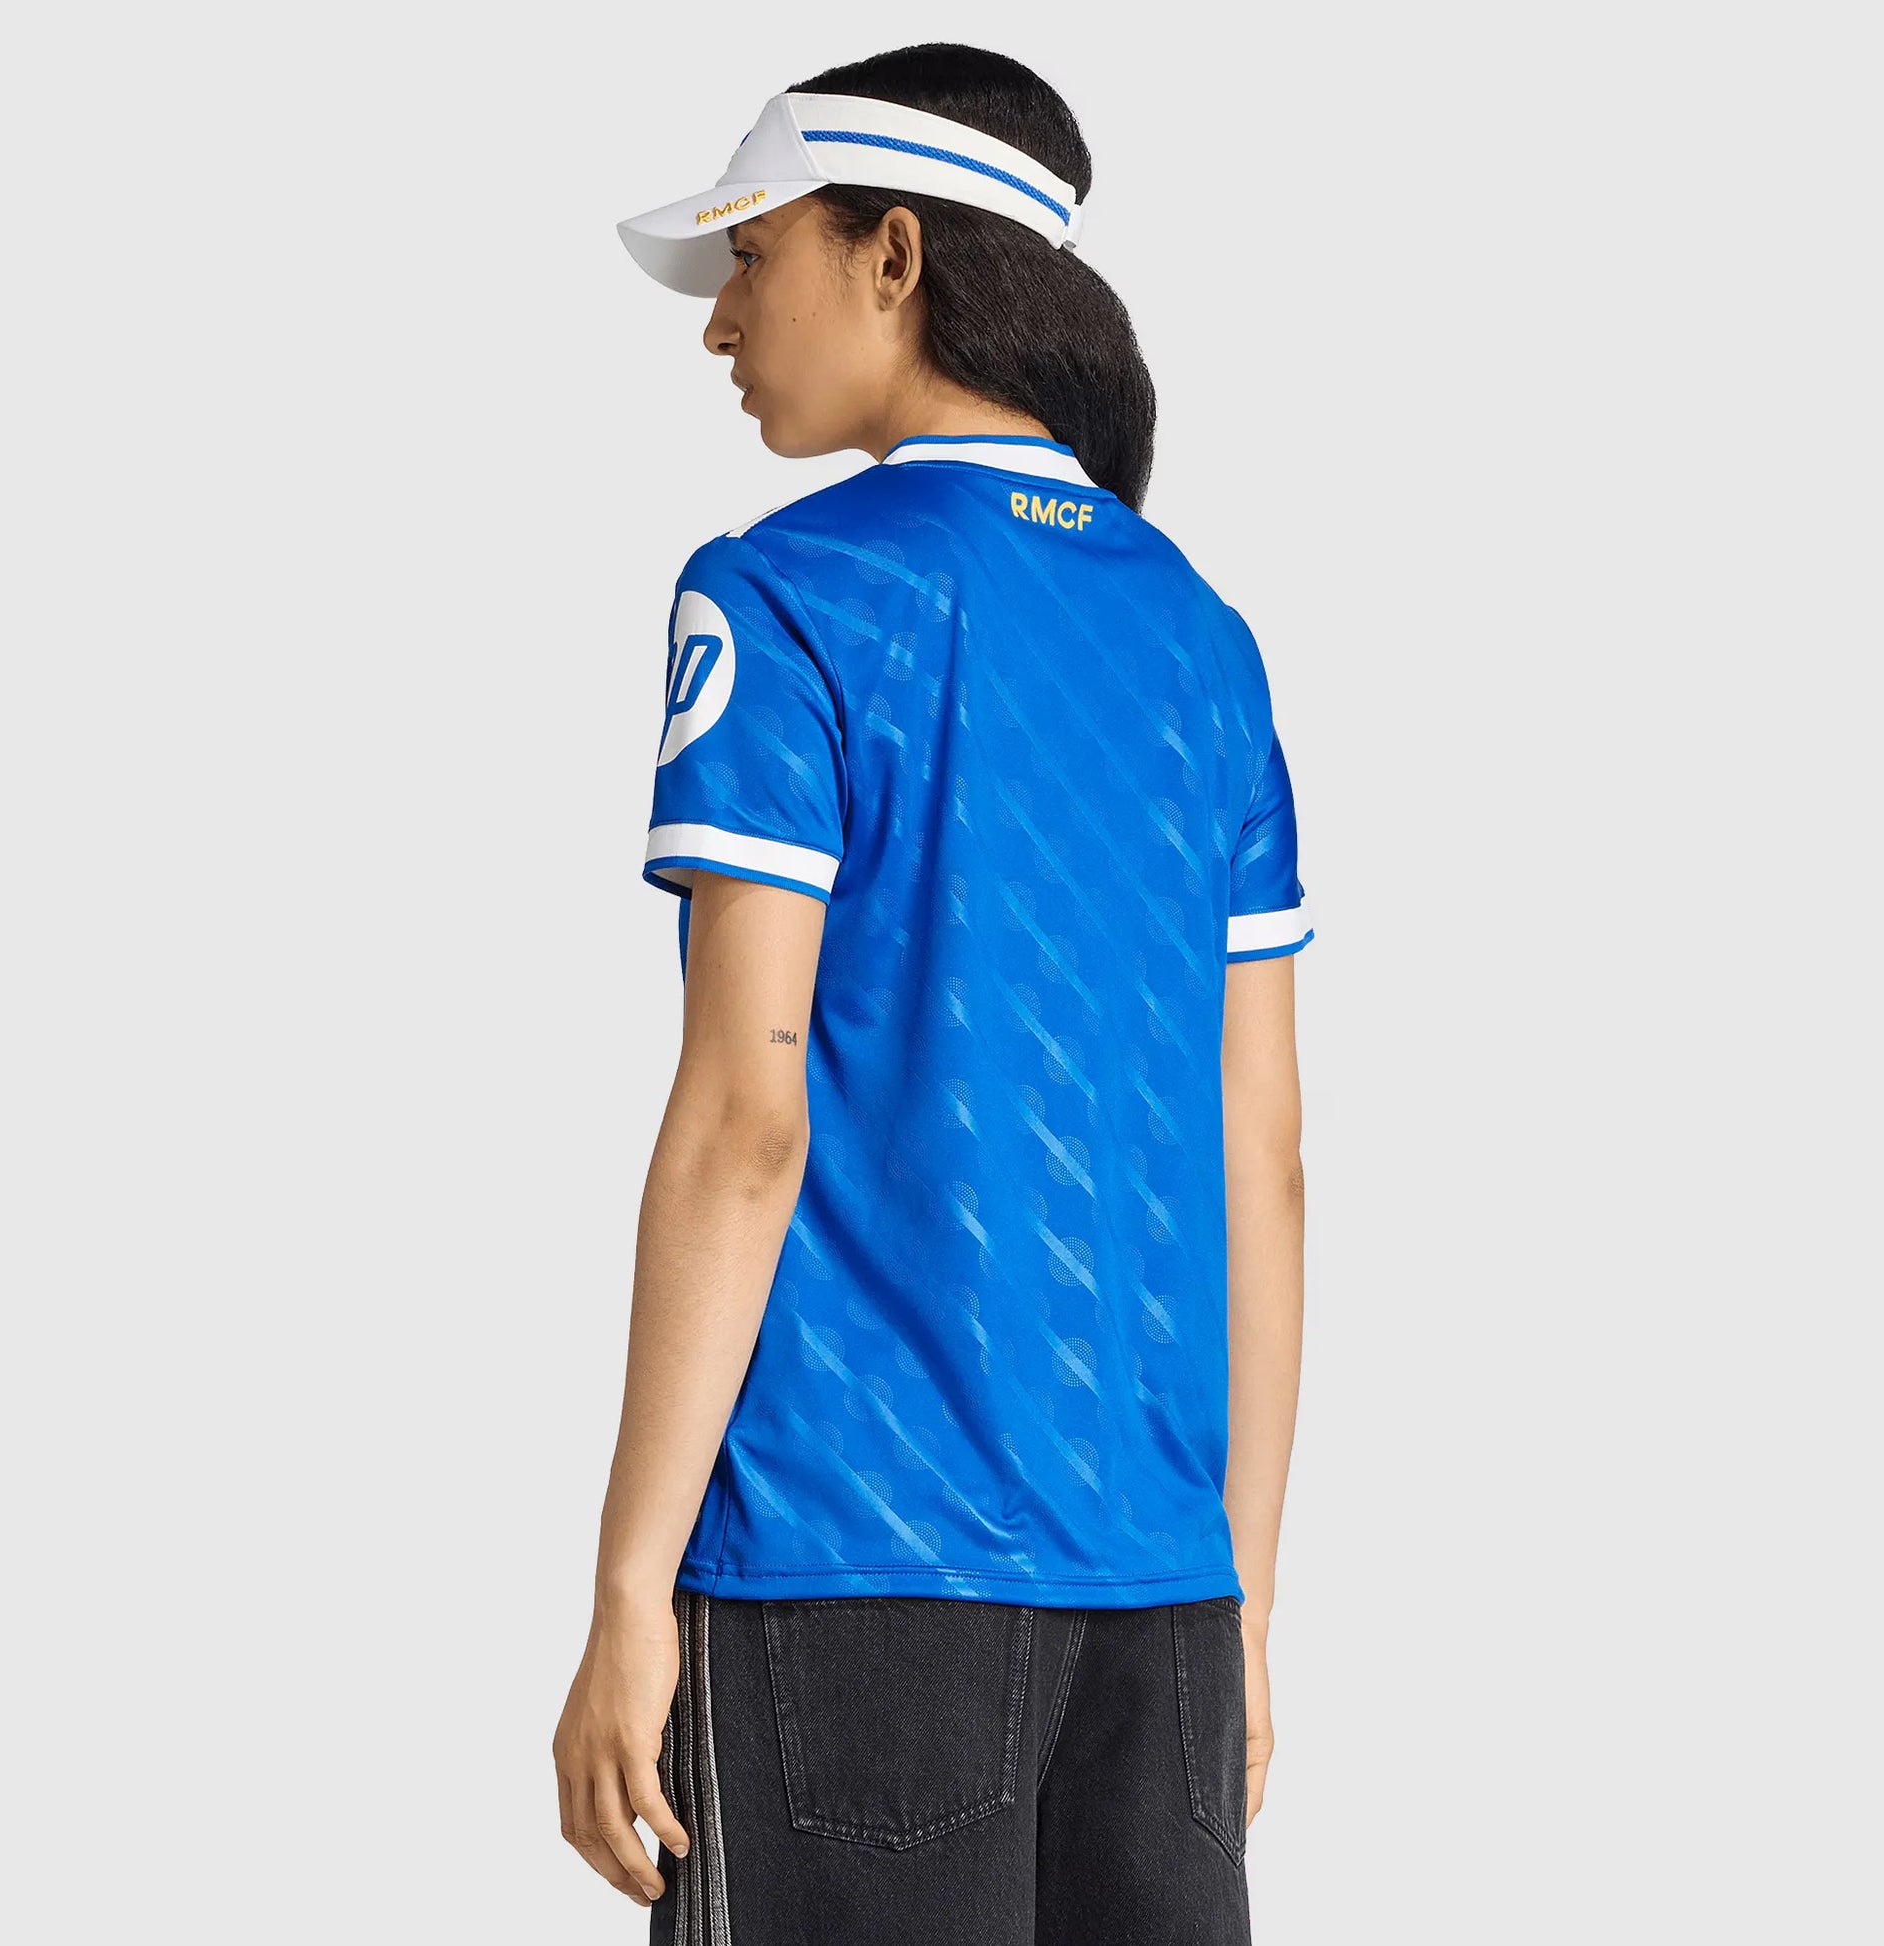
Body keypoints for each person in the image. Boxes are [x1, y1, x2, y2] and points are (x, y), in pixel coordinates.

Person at [554, 43, 1310, 1945]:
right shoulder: (1202, 642)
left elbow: (746, 1119)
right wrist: (1241, 1604)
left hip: (843, 1572)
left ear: (893, 254)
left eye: (750, 254)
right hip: (1162, 1596)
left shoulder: (785, 595)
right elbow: (1261, 1160)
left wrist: (628, 1588)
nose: (720, 321)